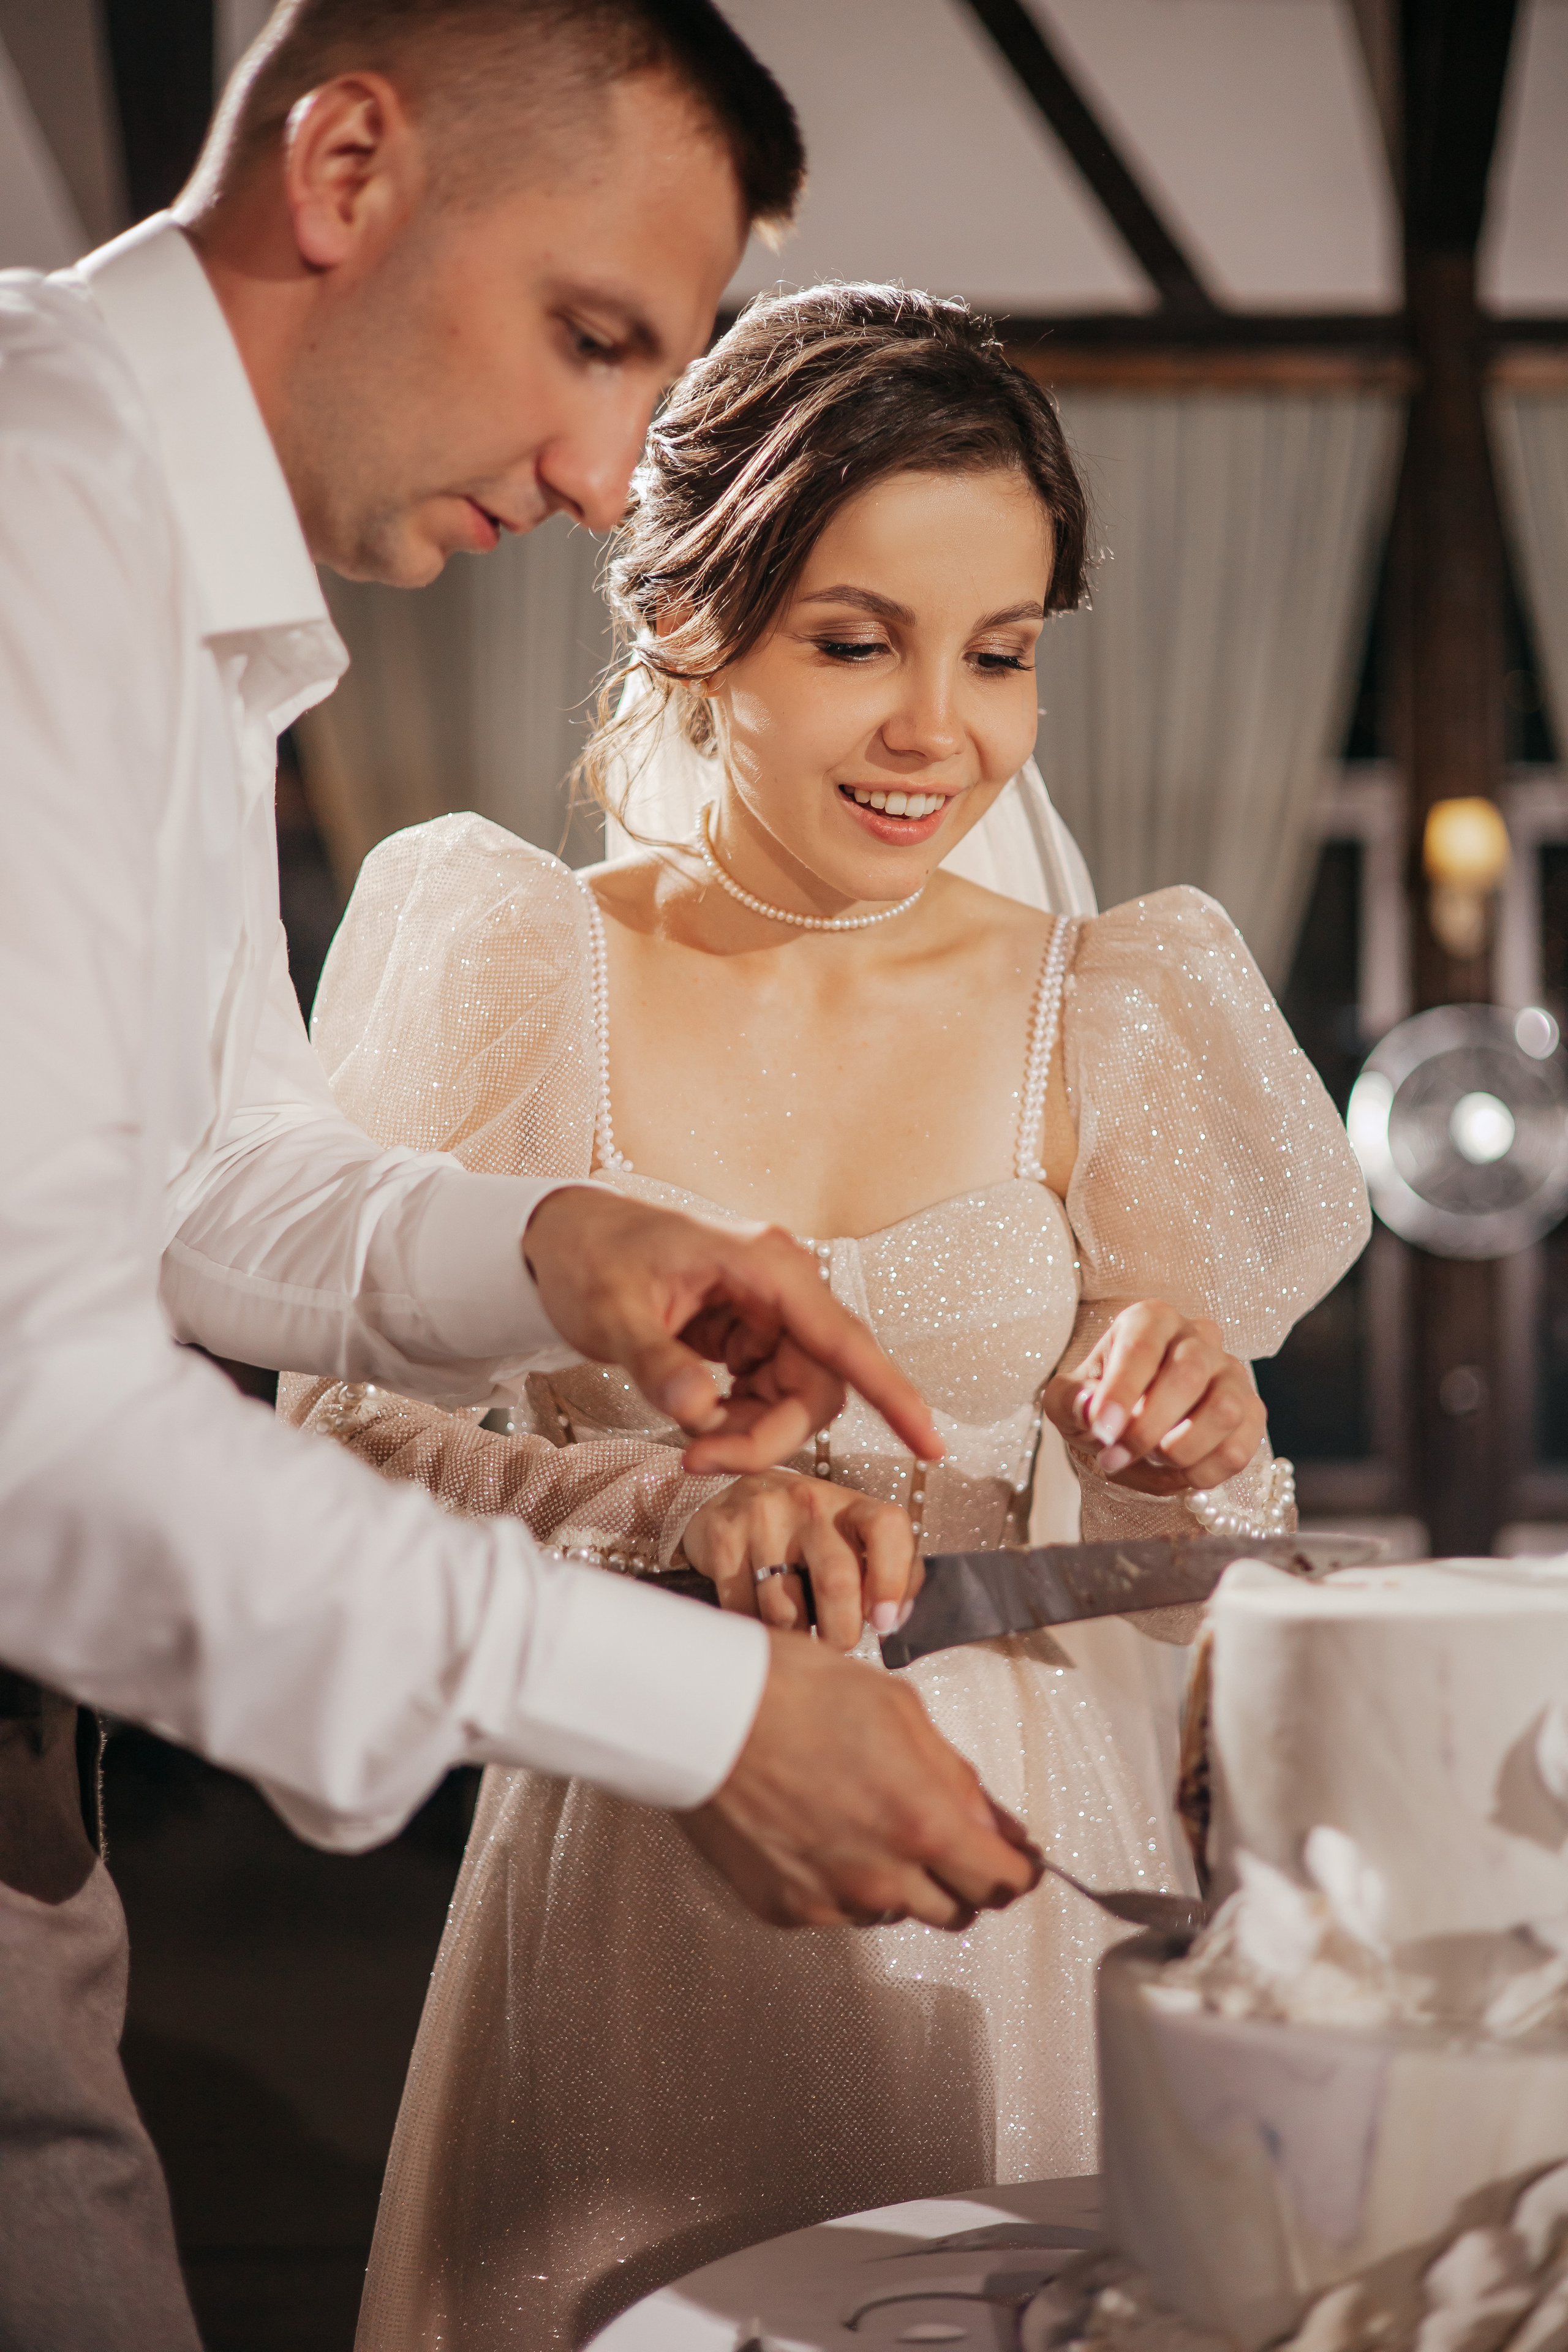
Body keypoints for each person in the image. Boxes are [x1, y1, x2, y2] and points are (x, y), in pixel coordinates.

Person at [0, 13, 1044, 2348]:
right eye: (588, 339)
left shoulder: (151, 566)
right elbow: (33, 1419)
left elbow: (199, 1172)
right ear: (346, 163)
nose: (597, 475)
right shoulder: (29, 500)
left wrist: (558, 1248)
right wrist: (701, 1718)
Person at [281, 284, 1372, 2350]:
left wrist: (1198, 1451)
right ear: (691, 624)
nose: (936, 732)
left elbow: (1181, 1593)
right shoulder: (518, 964)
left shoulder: (1106, 1010)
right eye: (855, 642)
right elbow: (328, 1443)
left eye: (1001, 655)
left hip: (1028, 1879)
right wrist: (649, 1509)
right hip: (639, 1839)